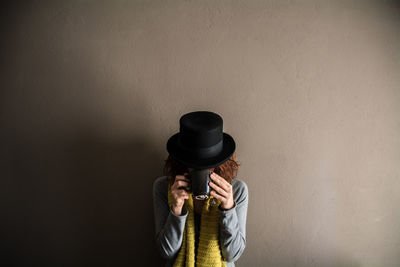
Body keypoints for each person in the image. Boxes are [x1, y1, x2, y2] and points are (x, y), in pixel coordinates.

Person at [152, 111, 249, 266]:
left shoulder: (237, 190)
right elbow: (166, 252)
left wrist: (228, 208)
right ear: (182, 160)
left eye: (209, 164)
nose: (202, 169)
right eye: (194, 164)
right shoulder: (164, 187)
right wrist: (176, 209)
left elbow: (233, 254)